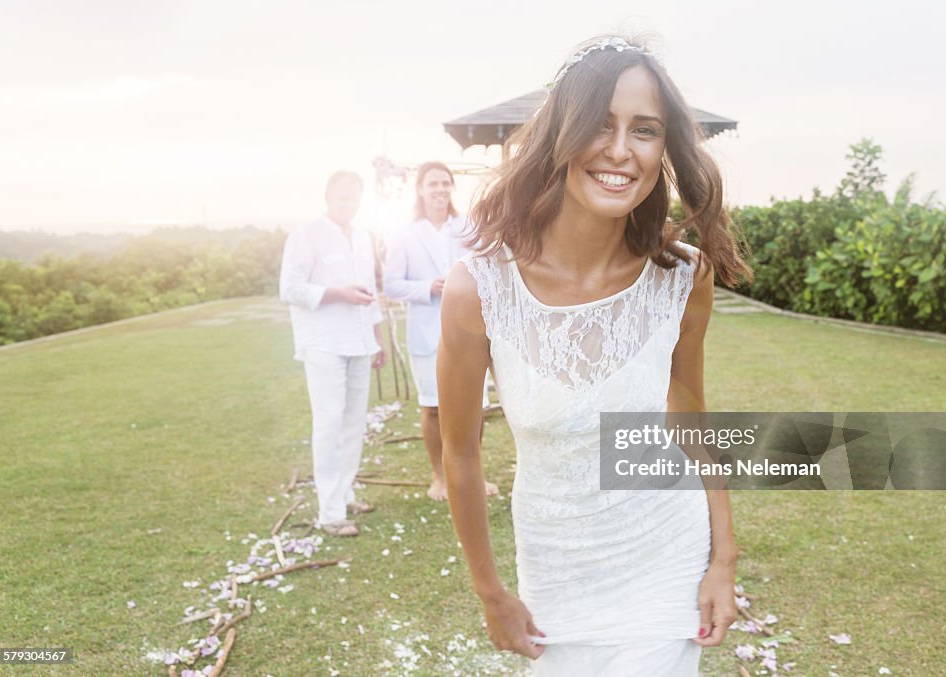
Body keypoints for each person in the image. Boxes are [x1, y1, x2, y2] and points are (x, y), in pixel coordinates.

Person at [438, 36, 751, 674]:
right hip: (555, 569)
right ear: (560, 135)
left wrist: (723, 560)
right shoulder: (480, 289)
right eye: (600, 125)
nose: (619, 150)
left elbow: (689, 419)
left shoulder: (681, 278)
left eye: (645, 130)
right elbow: (460, 454)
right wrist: (490, 591)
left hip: (666, 553)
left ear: (664, 149)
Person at [279, 170, 386, 537]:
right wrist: (337, 293)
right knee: (328, 421)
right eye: (343, 198)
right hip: (323, 341)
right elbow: (290, 288)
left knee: (355, 421)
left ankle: (344, 492)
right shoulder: (306, 235)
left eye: (355, 198)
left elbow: (370, 290)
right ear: (328, 196)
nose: (349, 205)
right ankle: (329, 512)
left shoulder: (362, 237)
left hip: (359, 341)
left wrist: (377, 337)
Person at [384, 161, 498, 502]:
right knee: (433, 407)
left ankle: (472, 475)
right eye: (432, 184)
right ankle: (440, 477)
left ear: (451, 189)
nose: (439, 189)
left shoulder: (468, 228)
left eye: (445, 183)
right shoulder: (404, 234)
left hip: (468, 330)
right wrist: (427, 287)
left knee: (474, 406)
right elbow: (391, 285)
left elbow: (487, 270)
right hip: (425, 330)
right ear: (420, 189)